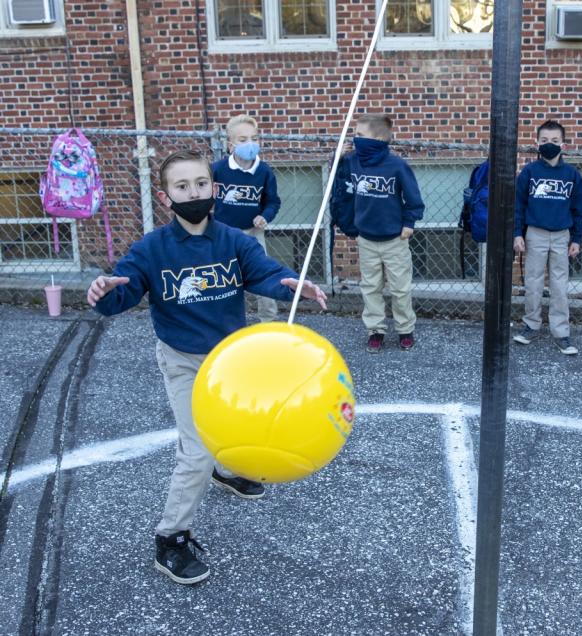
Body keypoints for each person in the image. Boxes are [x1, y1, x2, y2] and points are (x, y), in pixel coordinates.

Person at [86, 150, 327, 585]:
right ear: (165, 197)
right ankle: (171, 537)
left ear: (213, 189)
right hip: (183, 360)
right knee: (196, 450)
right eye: (182, 186)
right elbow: (122, 294)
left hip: (232, 359)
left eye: (200, 183)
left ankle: (227, 470)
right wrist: (104, 291)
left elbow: (265, 273)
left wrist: (292, 283)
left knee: (244, 419)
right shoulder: (151, 249)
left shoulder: (233, 240)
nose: (192, 192)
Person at [332, 113, 424, 353]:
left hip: (395, 238)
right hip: (366, 238)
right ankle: (375, 329)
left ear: (379, 138)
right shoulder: (353, 161)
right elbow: (340, 184)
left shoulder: (397, 165)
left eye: (360, 135)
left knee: (400, 288)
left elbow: (413, 198)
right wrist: (338, 158)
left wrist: (409, 223)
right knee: (370, 286)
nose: (355, 139)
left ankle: (405, 328)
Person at [512, 119, 582, 356]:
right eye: (544, 140)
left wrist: (576, 238)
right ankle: (531, 325)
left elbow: (579, 209)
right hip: (535, 233)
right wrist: (517, 234)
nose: (549, 144)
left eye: (554, 141)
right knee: (533, 283)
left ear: (563, 144)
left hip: (562, 235)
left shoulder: (571, 174)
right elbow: (519, 205)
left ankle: (561, 332)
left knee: (559, 286)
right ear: (537, 142)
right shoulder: (530, 172)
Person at [211, 114, 282, 322]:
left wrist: (264, 216)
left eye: (254, 138)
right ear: (230, 144)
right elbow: (204, 197)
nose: (250, 144)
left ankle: (269, 323)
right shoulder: (217, 170)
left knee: (262, 276)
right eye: (243, 140)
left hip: (253, 234)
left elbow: (273, 202)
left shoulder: (264, 171)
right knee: (225, 280)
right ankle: (226, 323)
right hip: (223, 235)